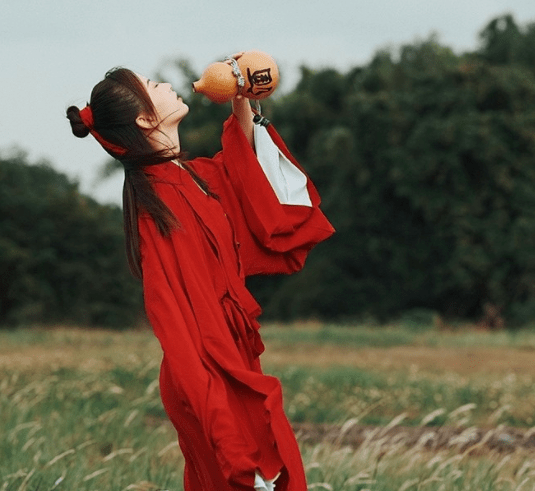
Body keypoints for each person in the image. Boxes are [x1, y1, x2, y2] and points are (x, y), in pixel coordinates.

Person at [66, 66, 334, 491]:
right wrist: (218, 402)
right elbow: (175, 315)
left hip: (229, 355)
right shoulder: (158, 207)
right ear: (143, 119)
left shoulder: (190, 177)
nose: (167, 85)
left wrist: (243, 98)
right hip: (207, 368)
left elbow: (246, 180)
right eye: (154, 86)